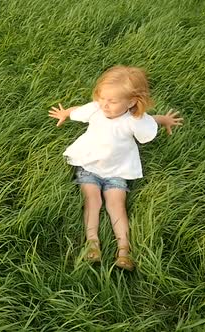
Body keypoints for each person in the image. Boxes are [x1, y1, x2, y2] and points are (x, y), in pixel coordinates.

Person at [48, 66, 183, 271]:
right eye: (102, 98)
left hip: (118, 170)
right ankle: (92, 244)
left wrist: (163, 120)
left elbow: (150, 121)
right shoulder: (97, 108)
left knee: (116, 205)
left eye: (112, 101)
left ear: (130, 102)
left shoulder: (133, 120)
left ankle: (124, 250)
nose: (105, 105)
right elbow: (79, 111)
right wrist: (65, 113)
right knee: (93, 200)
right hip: (89, 166)